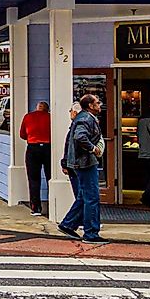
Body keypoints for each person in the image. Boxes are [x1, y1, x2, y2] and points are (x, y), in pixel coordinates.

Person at [59, 93, 106, 243]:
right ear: (90, 106)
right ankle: (91, 233)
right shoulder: (86, 119)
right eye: (97, 103)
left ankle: (68, 224)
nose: (100, 105)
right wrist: (93, 148)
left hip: (81, 162)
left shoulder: (83, 118)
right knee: (92, 197)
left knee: (83, 196)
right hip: (85, 162)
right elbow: (79, 137)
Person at [19, 101, 52, 216]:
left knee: (34, 179)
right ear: (47, 109)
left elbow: (22, 134)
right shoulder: (50, 118)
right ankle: (52, 204)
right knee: (50, 177)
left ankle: (36, 207)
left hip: (33, 147)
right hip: (48, 148)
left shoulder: (28, 117)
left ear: (37, 108)